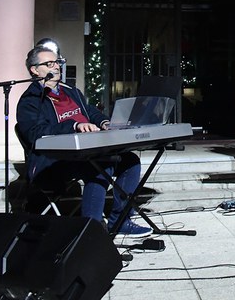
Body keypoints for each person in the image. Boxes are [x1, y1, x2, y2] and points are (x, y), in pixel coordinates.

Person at [15, 45, 152, 237]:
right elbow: (35, 133)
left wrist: (104, 122)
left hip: (87, 150)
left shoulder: (71, 91)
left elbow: (90, 112)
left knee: (130, 160)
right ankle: (92, 230)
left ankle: (119, 221)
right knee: (98, 166)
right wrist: (74, 126)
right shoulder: (30, 101)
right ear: (34, 70)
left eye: (58, 62)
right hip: (54, 159)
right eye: (49, 63)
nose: (56, 67)